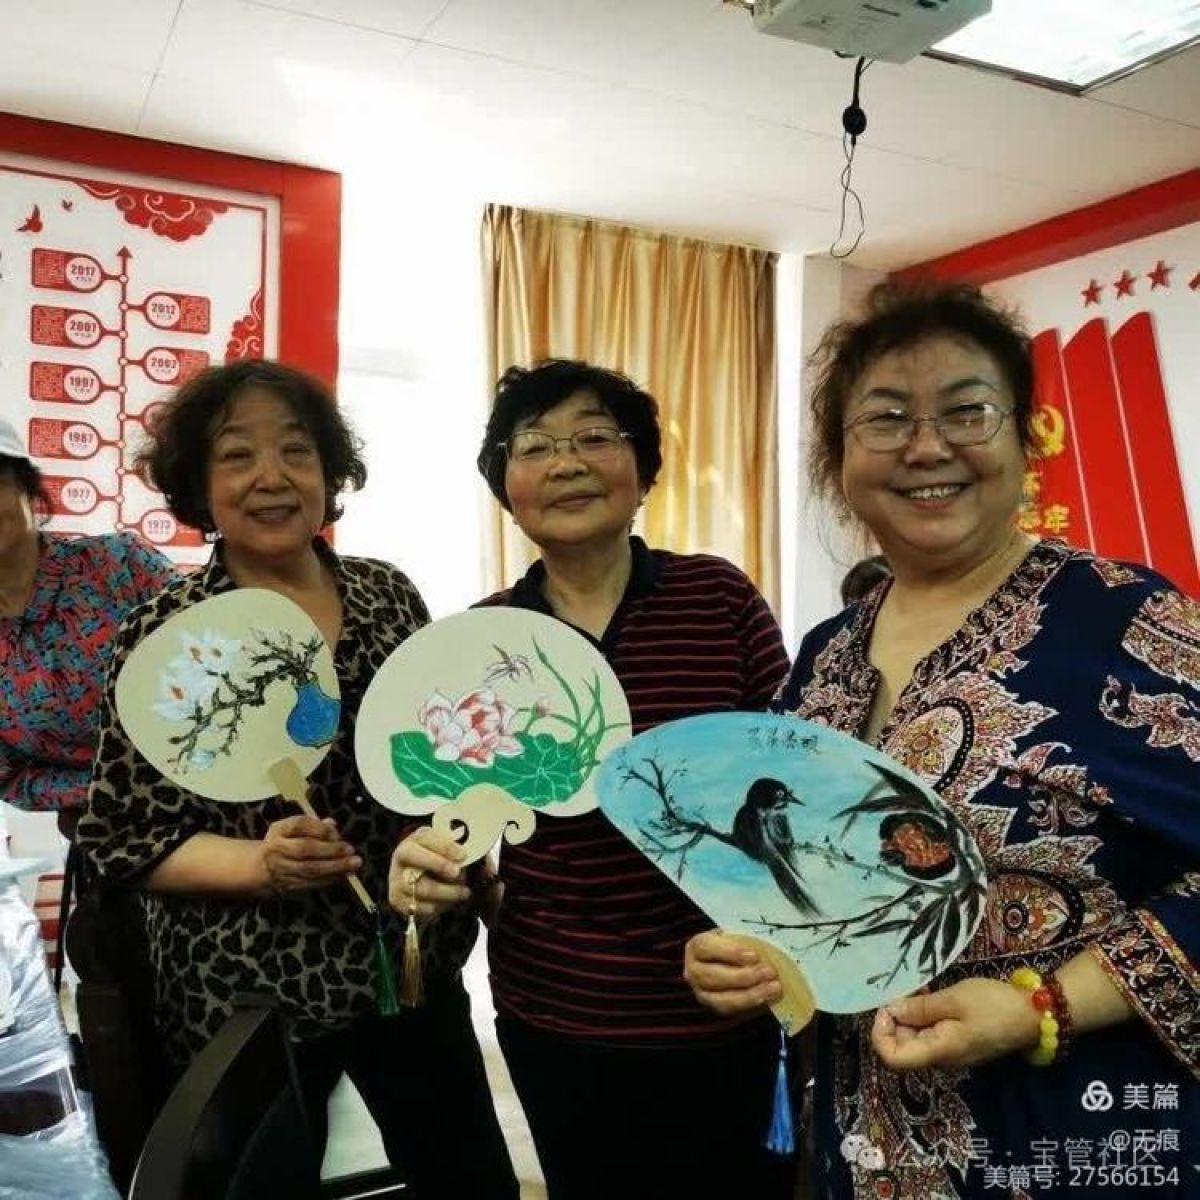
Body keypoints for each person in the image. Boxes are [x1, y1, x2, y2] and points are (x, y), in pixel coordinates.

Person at [684, 282, 1198, 1198]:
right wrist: (748, 948)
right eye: (886, 419)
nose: (927, 447)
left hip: (1076, 1141)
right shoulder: (825, 656)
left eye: (967, 411)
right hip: (862, 1145)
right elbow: (799, 878)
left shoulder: (1127, 622)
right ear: (839, 459)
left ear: (1024, 438)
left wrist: (1044, 1006)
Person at [76, 361, 517, 1199]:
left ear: (329, 472)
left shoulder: (387, 594)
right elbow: (120, 835)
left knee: (467, 1179)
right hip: (250, 993)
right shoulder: (166, 632)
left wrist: (455, 843)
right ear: (199, 485)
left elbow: (443, 762)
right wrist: (260, 864)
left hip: (406, 963)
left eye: (296, 450)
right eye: (237, 455)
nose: (271, 476)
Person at [390, 359, 794, 1200]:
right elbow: (454, 823)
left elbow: (795, 776)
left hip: (722, 994)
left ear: (643, 469)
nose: (566, 462)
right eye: (535, 446)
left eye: (595, 438)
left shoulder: (718, 598)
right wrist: (425, 867)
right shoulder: (483, 637)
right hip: (556, 1006)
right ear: (506, 486)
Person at [0, 415, 176, 819]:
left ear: (28, 488)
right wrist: (106, 789)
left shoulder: (121, 564)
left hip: (219, 790)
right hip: (103, 826)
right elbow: (10, 776)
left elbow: (216, 649)